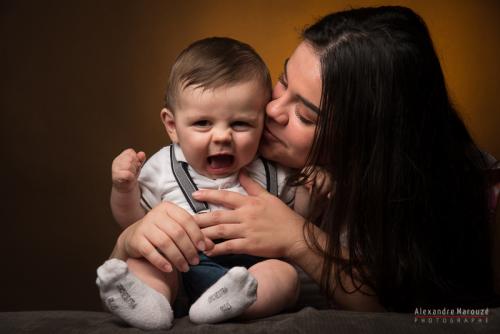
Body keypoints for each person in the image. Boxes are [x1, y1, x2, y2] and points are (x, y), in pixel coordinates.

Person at [109, 5, 500, 315]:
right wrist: (130, 238)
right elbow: (131, 269)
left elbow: (430, 312)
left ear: (366, 142)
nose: (273, 110)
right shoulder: (232, 153)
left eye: (306, 115)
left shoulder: (435, 190)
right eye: (282, 81)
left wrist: (298, 239)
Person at [96, 37, 313, 330]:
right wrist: (123, 189)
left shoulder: (272, 170)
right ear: (172, 126)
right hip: (181, 267)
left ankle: (229, 303)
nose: (222, 136)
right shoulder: (162, 167)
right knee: (145, 262)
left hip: (250, 271)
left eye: (240, 124)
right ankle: (151, 305)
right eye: (202, 123)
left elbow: (299, 219)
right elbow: (134, 223)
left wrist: (311, 190)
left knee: (285, 277)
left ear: (262, 122)